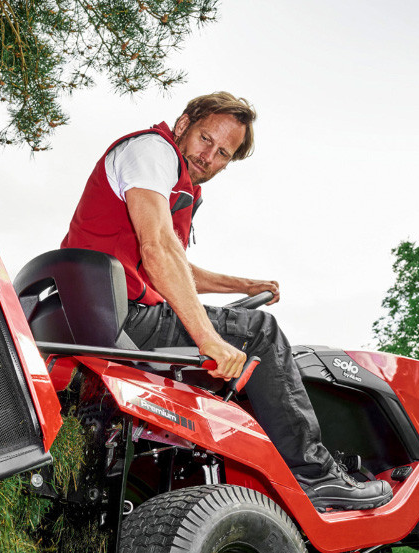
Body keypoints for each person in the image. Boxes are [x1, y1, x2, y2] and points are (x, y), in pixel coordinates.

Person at [61, 91, 392, 512]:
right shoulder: (152, 152)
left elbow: (175, 269)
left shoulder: (170, 180)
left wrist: (245, 285)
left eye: (223, 154)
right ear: (183, 124)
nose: (208, 157)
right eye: (205, 139)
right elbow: (159, 251)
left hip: (93, 313)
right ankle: (316, 475)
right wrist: (209, 339)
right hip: (121, 316)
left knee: (236, 339)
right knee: (261, 334)